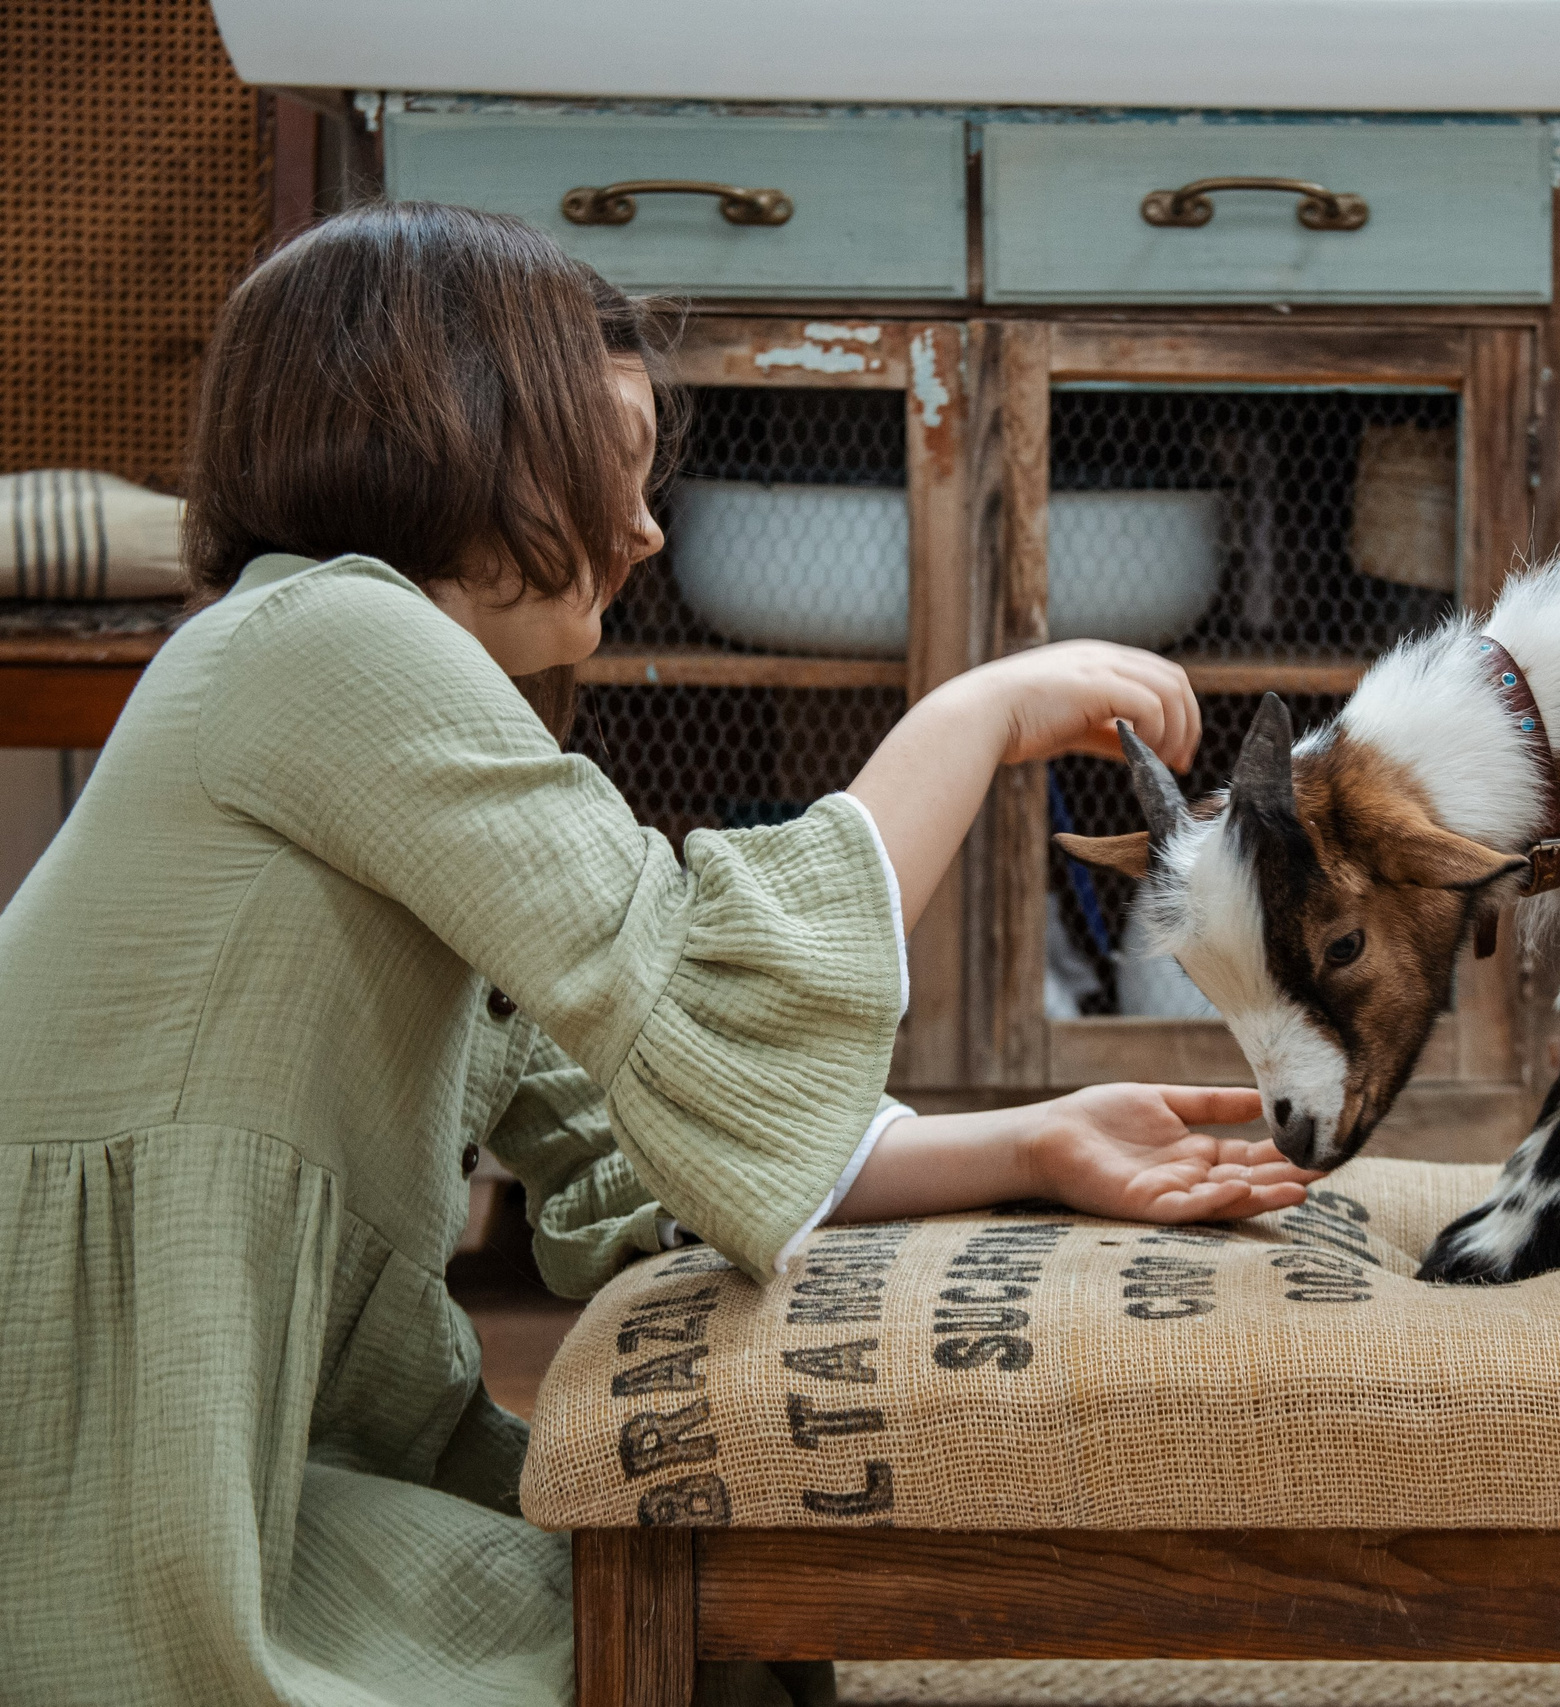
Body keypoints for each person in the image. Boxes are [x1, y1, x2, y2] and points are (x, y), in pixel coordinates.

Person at [0, 201, 1316, 1707]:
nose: (645, 532)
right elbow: (707, 982)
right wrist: (982, 714)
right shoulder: (318, 641)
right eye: (607, 475)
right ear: (455, 443)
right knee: (658, 1648)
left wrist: (1034, 1140)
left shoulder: (377, 706)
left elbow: (629, 1115)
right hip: (90, 1442)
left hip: (238, 1431)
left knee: (711, 1622)